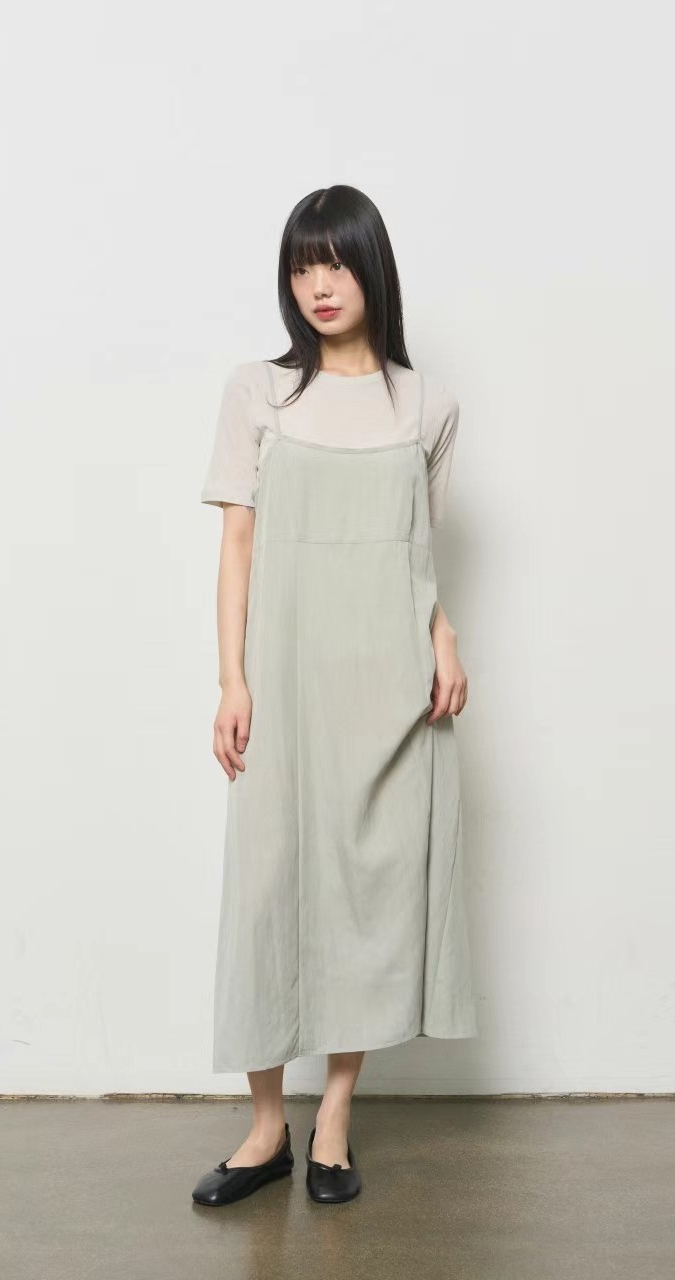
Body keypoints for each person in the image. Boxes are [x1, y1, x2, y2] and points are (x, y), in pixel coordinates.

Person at [192, 185, 478, 1208]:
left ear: (371, 271)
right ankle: (266, 1126)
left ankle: (334, 1123)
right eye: (301, 265)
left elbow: (416, 549)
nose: (318, 284)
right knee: (267, 893)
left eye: (337, 262)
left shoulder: (425, 404)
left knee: (369, 894)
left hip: (388, 683)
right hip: (284, 679)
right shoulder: (258, 393)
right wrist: (232, 679)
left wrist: (443, 636)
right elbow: (237, 545)